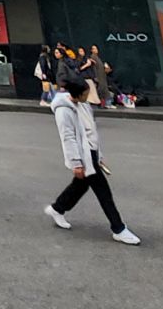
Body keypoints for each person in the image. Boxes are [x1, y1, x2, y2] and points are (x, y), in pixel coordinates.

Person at [45, 76, 141, 244]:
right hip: (83, 156)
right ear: (78, 94)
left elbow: (91, 132)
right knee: (103, 192)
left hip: (91, 153)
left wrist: (99, 155)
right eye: (86, 93)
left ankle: (57, 208)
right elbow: (67, 138)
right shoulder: (64, 110)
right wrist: (76, 163)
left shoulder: (82, 105)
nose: (88, 96)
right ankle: (118, 228)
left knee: (80, 186)